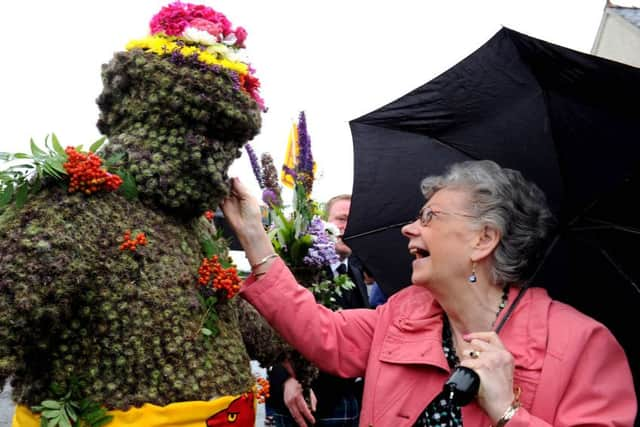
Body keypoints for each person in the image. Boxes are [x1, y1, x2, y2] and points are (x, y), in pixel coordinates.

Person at [222, 160, 637, 426]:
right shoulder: (403, 311)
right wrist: (256, 238)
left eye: (428, 217)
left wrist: (509, 414)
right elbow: (322, 333)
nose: (409, 229)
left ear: (484, 239)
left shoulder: (583, 344)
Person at [265, 194, 369, 427]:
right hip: (297, 403)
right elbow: (272, 326)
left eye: (353, 220)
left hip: (344, 400)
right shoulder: (299, 266)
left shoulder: (354, 272)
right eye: (341, 219)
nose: (347, 226)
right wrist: (287, 379)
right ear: (323, 225)